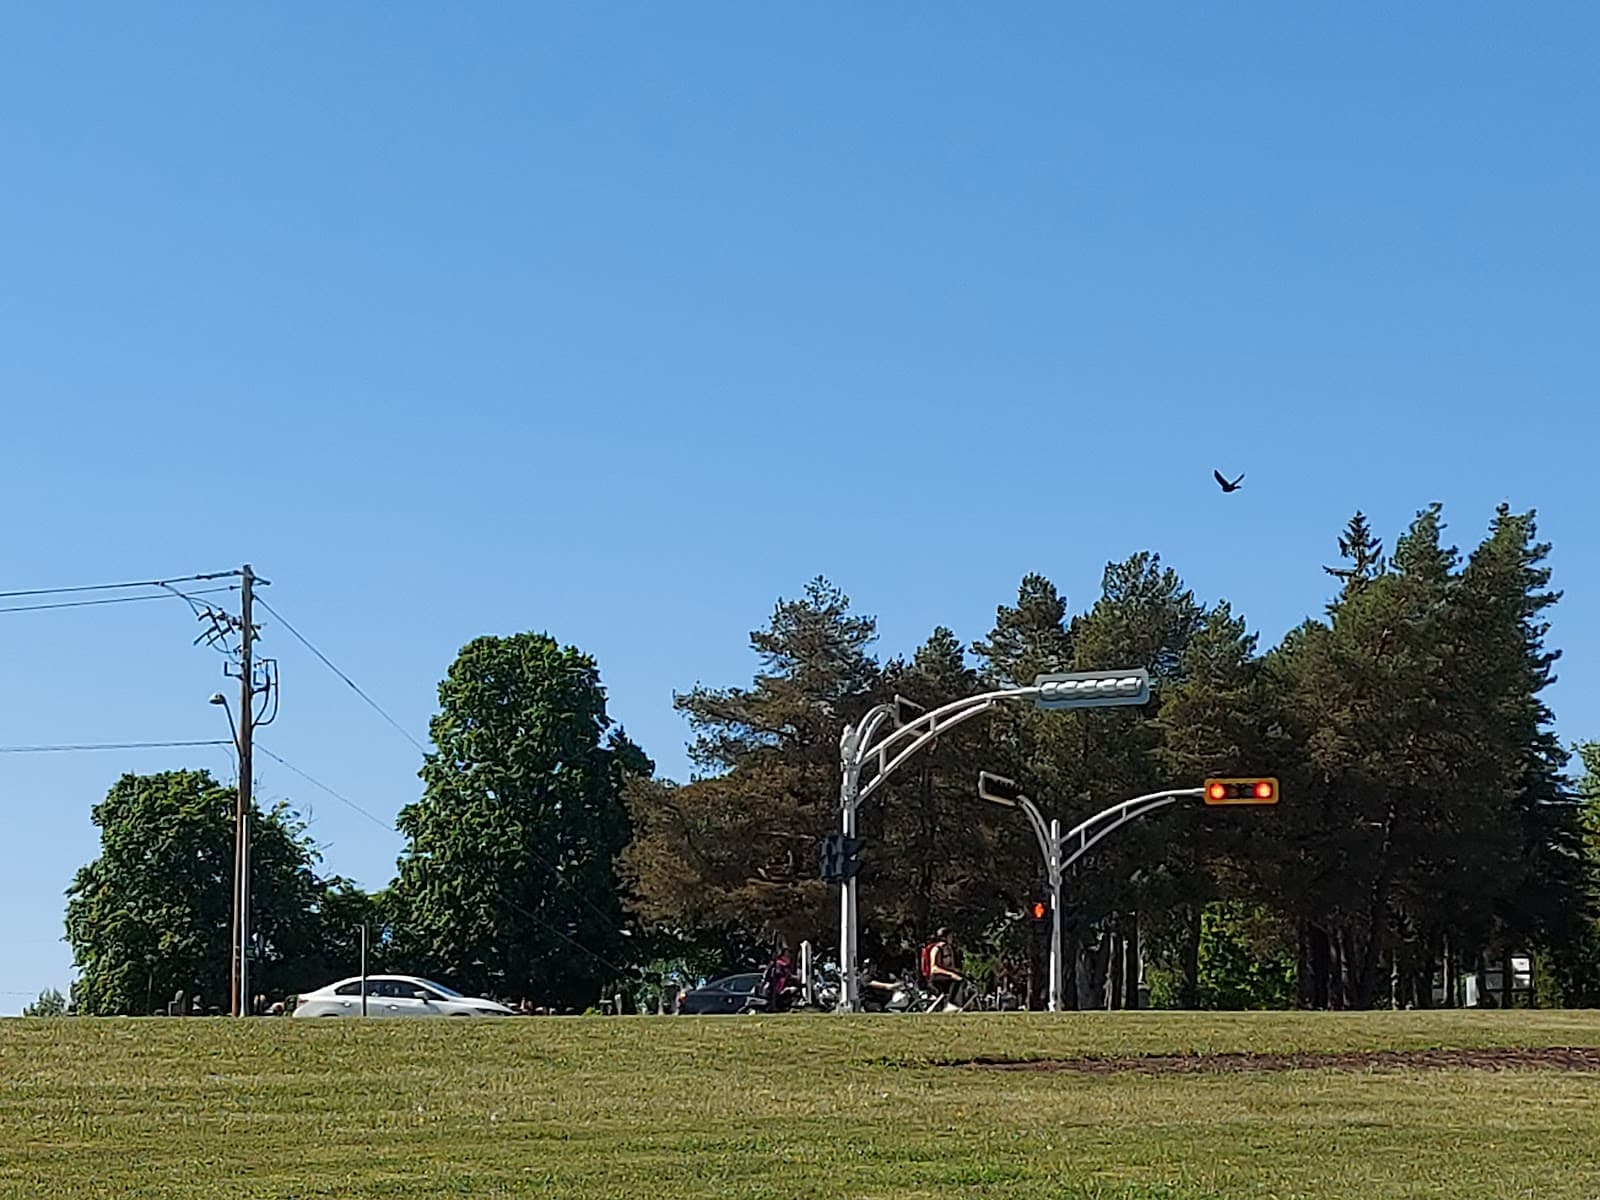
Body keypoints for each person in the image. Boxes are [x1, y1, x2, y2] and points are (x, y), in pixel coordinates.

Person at [919, 928, 967, 1010]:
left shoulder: (949, 949)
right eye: (950, 936)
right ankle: (951, 1004)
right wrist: (951, 974)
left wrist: (957, 972)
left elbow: (949, 966)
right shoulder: (937, 949)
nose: (952, 938)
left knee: (963, 979)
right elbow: (934, 968)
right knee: (957, 981)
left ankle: (960, 1004)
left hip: (945, 977)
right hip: (936, 978)